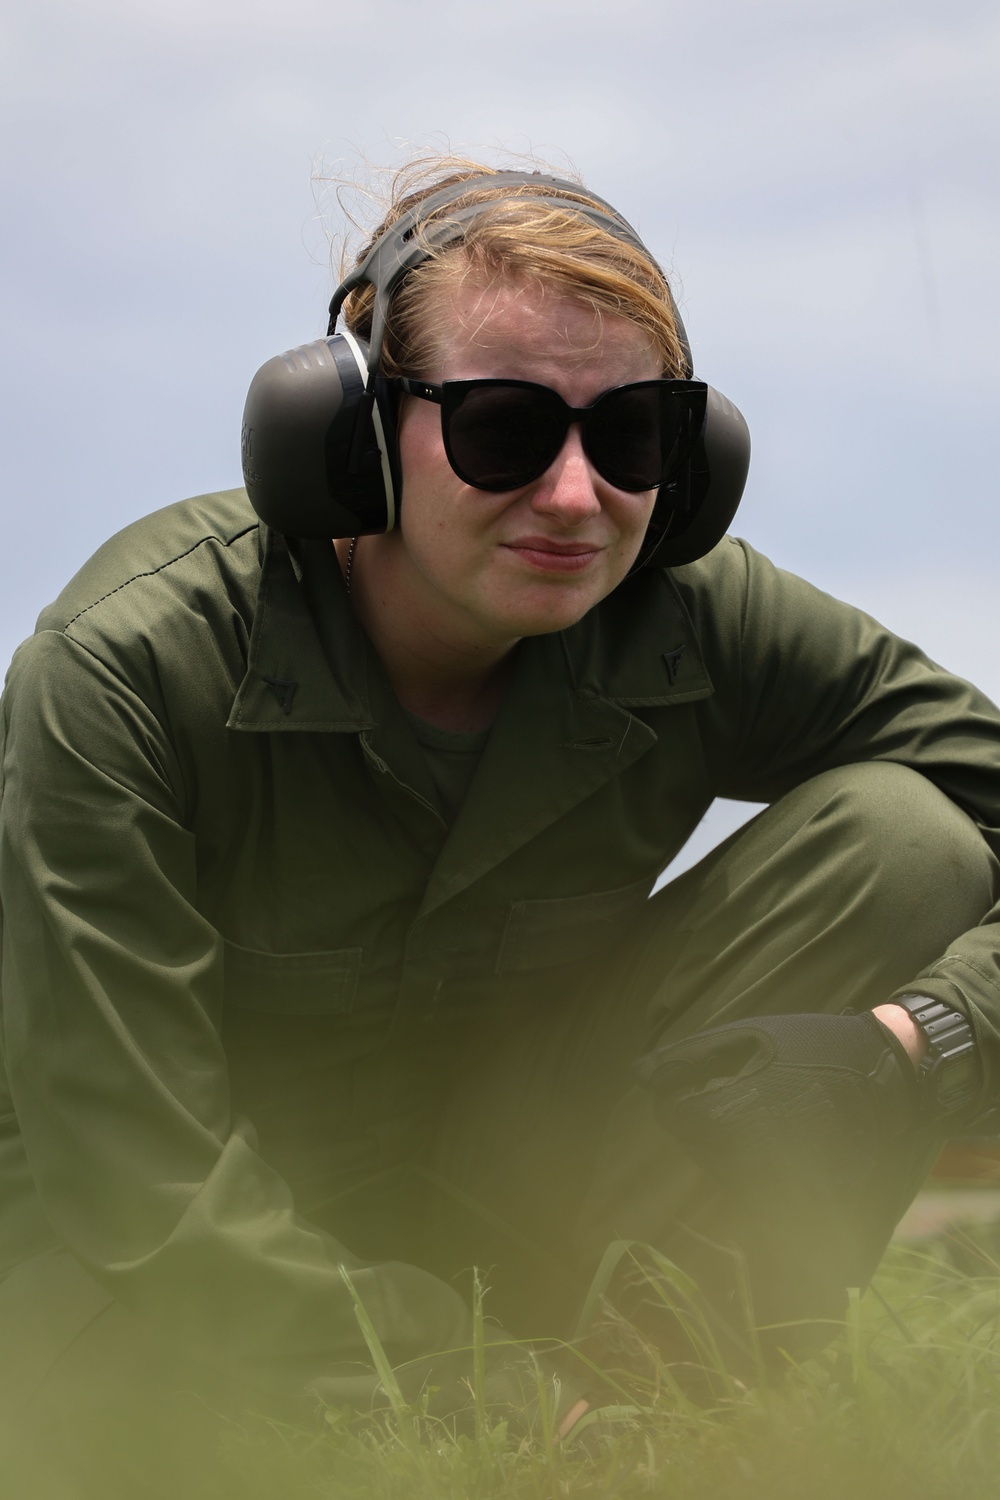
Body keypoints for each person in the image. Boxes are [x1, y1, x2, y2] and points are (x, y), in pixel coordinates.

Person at [1, 156, 998, 1489]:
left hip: (486, 1200)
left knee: (906, 837)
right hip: (142, 1265)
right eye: (503, 430)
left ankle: (670, 1404)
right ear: (351, 436)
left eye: (634, 432)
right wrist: (493, 1397)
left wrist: (923, 1037)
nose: (579, 497)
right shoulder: (122, 670)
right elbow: (139, 1179)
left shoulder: (695, 611)